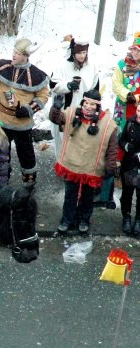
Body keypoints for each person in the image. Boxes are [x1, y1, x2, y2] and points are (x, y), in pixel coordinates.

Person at [0, 36, 49, 184]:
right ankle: (0, 182)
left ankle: (28, 186)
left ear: (26, 56)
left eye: (17, 53)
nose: (14, 55)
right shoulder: (2, 66)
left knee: (26, 155)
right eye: (13, 51)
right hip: (1, 121)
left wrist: (29, 109)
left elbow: (43, 96)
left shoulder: (37, 75)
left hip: (22, 124)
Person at [49, 90, 117, 234]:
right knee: (70, 195)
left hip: (91, 167)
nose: (88, 106)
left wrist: (111, 165)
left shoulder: (108, 124)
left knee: (87, 197)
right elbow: (56, 119)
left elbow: (112, 147)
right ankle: (67, 219)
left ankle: (84, 220)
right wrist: (55, 109)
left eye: (92, 104)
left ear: (98, 106)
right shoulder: (72, 113)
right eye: (86, 103)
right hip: (71, 164)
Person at [50, 36, 99, 159]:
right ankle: (62, 166)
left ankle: (75, 169)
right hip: (65, 110)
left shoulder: (91, 67)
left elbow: (95, 88)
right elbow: (53, 84)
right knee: (62, 142)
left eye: (84, 52)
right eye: (78, 53)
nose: (82, 56)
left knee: (79, 142)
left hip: (83, 110)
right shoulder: (61, 65)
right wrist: (67, 86)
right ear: (73, 52)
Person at [118, 103, 140, 236]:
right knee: (127, 194)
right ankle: (126, 217)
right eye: (138, 110)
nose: (139, 114)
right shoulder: (130, 122)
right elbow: (121, 140)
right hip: (129, 165)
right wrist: (126, 146)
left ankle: (138, 219)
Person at [112, 32, 140, 135]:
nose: (136, 53)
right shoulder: (122, 64)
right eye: (134, 49)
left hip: (138, 109)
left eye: (139, 50)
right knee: (120, 135)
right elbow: (116, 84)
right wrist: (128, 95)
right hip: (123, 107)